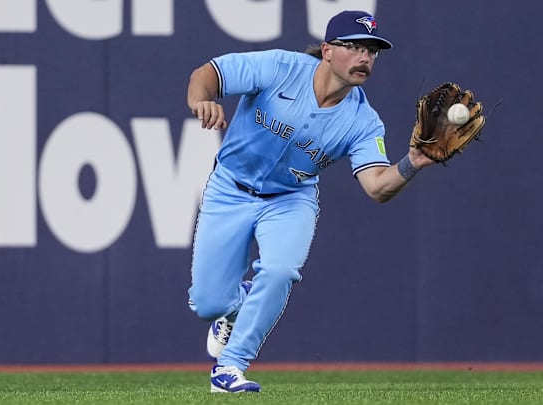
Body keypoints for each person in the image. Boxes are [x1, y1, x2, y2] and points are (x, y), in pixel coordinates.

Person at [186, 10, 435, 393]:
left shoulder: (363, 121)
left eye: (372, 51)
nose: (365, 58)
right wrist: (202, 101)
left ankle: (230, 367)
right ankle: (238, 306)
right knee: (208, 304)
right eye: (354, 47)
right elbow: (207, 74)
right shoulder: (279, 67)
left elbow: (377, 186)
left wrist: (413, 161)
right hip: (229, 188)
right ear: (327, 50)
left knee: (281, 269)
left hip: (291, 199)